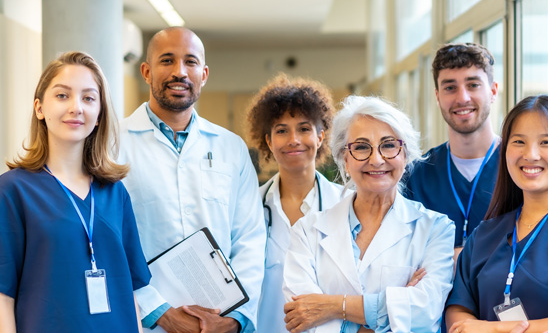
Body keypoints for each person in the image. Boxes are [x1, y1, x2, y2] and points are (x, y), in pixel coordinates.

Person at [118, 27, 265, 332]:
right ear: (146, 71)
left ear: (204, 74)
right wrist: (159, 312)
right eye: (167, 61)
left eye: (191, 62)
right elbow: (109, 241)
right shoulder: (112, 144)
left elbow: (250, 238)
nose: (180, 72)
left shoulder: (231, 148)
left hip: (220, 319)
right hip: (144, 321)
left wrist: (234, 320)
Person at [0, 51, 150, 333]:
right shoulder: (12, 191)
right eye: (62, 95)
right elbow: (2, 296)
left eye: (89, 98)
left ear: (98, 115)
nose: (76, 107)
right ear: (39, 108)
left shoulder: (115, 194)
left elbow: (129, 292)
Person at [282, 96, 455, 332]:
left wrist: (333, 307)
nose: (376, 159)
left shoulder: (436, 229)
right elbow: (301, 319)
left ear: (405, 154)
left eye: (389, 145)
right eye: (362, 147)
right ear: (345, 158)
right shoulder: (306, 231)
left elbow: (424, 315)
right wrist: (394, 308)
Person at [446, 95, 548, 333]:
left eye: (546, 142)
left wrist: (494, 330)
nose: (531, 154)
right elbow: (458, 312)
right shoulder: (485, 234)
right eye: (518, 142)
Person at [246, 73, 346, 332]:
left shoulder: (346, 204)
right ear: (268, 140)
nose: (293, 140)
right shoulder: (249, 206)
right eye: (281, 131)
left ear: (321, 136)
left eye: (304, 128)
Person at [403, 43, 500, 262]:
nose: (462, 98)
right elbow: (404, 256)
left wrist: (457, 257)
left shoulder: (519, 167)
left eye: (473, 85)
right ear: (437, 96)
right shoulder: (416, 175)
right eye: (450, 87)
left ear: (493, 91)